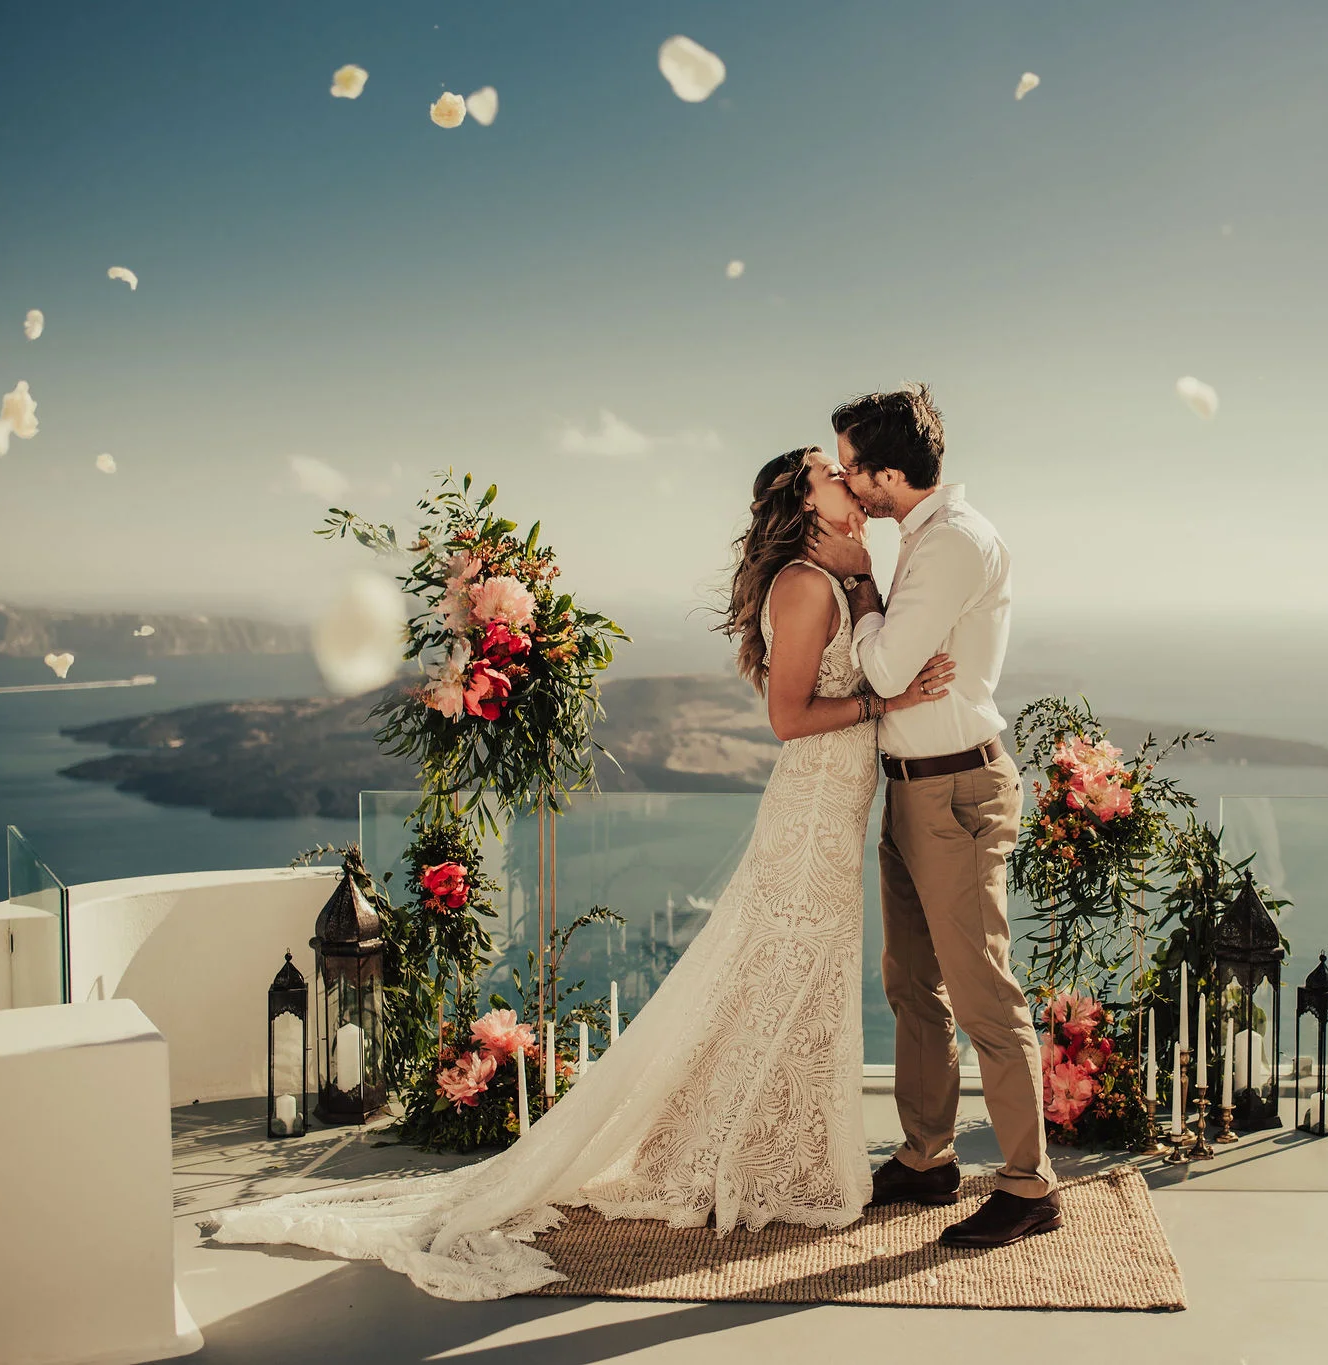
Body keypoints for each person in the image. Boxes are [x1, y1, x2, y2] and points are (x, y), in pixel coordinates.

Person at [206, 446, 955, 1300]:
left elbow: (876, 650)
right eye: (832, 474)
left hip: (833, 810)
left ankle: (759, 1149)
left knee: (789, 977)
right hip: (812, 812)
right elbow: (791, 717)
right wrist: (885, 701)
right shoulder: (803, 583)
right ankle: (733, 1155)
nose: (850, 482)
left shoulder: (833, 575)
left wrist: (868, 590)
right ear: (804, 502)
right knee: (781, 970)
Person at [804, 383, 1061, 1249]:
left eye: (853, 470)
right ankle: (927, 1158)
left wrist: (861, 582)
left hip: (954, 790)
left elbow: (883, 669)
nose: (848, 485)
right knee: (913, 983)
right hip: (911, 784)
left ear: (887, 473)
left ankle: (1029, 1185)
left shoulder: (950, 544)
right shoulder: (925, 534)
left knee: (984, 990)